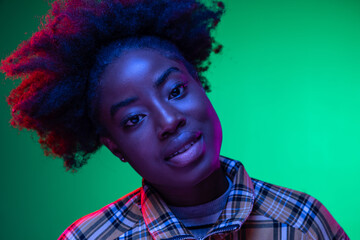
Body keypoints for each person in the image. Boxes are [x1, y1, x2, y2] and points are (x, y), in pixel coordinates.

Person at [1, 0, 349, 239]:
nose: (169, 120)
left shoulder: (303, 222)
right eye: (134, 118)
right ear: (115, 147)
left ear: (200, 85)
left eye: (176, 91)